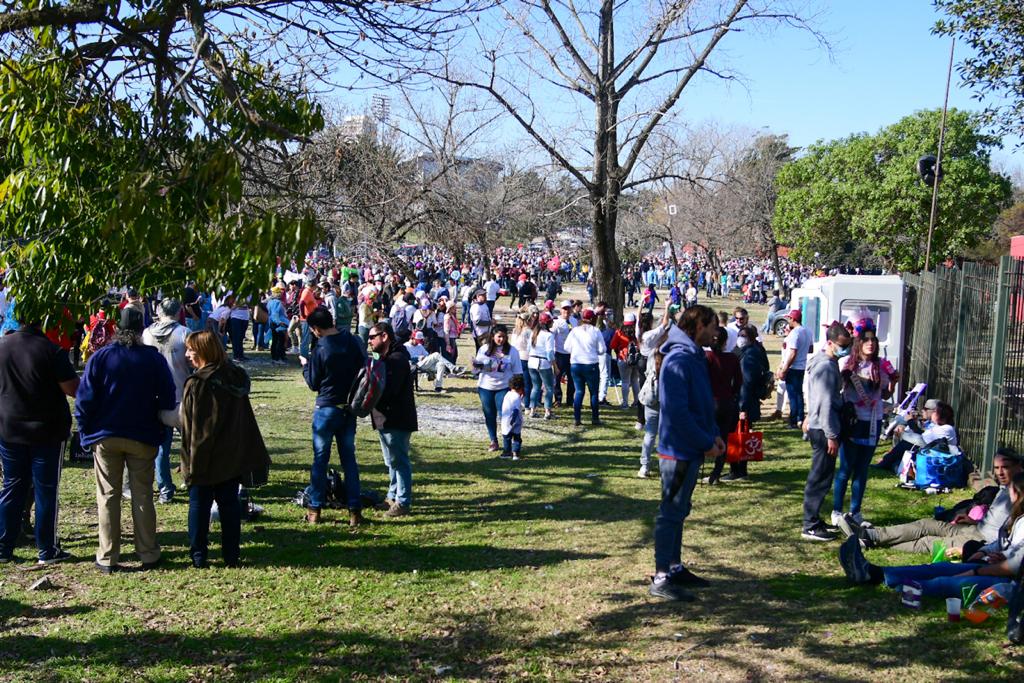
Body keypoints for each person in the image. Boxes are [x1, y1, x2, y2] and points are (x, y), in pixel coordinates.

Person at [75, 307, 177, 573]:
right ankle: (148, 553)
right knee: (142, 495)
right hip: (142, 436)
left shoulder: (101, 357)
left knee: (108, 496)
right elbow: (168, 398)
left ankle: (108, 556)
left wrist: (85, 432)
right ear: (141, 329)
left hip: (106, 435)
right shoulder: (153, 359)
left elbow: (84, 399)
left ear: (117, 329)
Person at [839, 472, 1024, 599]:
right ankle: (874, 572)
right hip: (994, 563)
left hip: (1009, 583)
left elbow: (1014, 566)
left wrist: (977, 570)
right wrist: (984, 551)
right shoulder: (1017, 519)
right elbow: (1006, 545)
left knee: (947, 582)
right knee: (939, 568)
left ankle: (904, 590)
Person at [649, 305, 724, 601]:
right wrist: (704, 441)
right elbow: (678, 412)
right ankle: (661, 577)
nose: (716, 332)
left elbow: (701, 403)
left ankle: (674, 567)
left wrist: (713, 434)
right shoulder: (678, 360)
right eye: (713, 326)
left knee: (680, 510)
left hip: (691, 447)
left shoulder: (694, 357)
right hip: (678, 451)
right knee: (670, 512)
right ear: (699, 326)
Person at [179, 331, 270, 567]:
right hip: (232, 455)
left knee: (200, 505)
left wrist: (192, 464)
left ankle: (199, 556)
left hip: (205, 455)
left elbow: (198, 430)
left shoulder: (199, 383)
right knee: (229, 505)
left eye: (191, 350)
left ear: (203, 352)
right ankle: (231, 555)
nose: (187, 354)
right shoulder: (234, 376)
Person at [0, 321, 80, 565]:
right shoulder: (51, 350)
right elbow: (73, 389)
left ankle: (3, 547)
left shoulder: (2, 346)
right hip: (47, 431)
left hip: (10, 428)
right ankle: (47, 548)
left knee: (12, 486)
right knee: (46, 490)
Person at [844, 448, 1023, 553]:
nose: (1000, 472)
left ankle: (871, 542)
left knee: (927, 542)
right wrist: (973, 520)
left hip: (984, 542)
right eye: (996, 468)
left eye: (1005, 467)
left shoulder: (1020, 491)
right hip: (975, 528)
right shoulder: (1004, 487)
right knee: (926, 524)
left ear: (1019, 467)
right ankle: (871, 535)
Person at [299, 308, 366, 526]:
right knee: (349, 460)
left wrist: (305, 366)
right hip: (348, 408)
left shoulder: (321, 348)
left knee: (320, 460)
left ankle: (314, 509)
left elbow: (313, 383)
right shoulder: (353, 341)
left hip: (326, 408)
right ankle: (354, 510)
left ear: (316, 329)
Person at [832, 318, 898, 532]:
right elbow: (837, 389)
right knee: (845, 469)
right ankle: (836, 512)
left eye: (873, 341)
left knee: (862, 470)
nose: (870, 344)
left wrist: (893, 382)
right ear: (858, 343)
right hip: (852, 422)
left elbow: (885, 394)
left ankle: (856, 512)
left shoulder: (881, 366)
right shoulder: (847, 363)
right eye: (866, 340)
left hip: (873, 422)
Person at [800, 322, 853, 542]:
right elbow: (825, 404)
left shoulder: (824, 362)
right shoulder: (826, 367)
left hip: (820, 425)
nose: (846, 349)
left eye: (848, 345)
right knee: (819, 477)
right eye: (842, 345)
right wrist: (831, 435)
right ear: (830, 343)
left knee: (823, 475)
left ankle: (815, 519)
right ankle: (810, 524)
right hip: (824, 430)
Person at [142, 299, 191, 504]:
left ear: (158, 311)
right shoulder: (185, 333)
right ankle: (192, 480)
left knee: (161, 448)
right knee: (191, 443)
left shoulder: (146, 333)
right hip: (182, 396)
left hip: (156, 398)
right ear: (178, 312)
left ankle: (165, 489)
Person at [368, 322, 418, 517]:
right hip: (385, 418)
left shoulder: (396, 360)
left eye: (372, 337)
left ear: (385, 336)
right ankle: (392, 496)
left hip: (396, 418)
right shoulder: (386, 357)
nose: (369, 341)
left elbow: (388, 390)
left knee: (399, 461)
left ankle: (403, 502)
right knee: (391, 461)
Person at [702, 327, 742, 486]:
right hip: (726, 402)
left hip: (709, 402)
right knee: (723, 437)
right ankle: (716, 474)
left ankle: (697, 467)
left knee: (703, 434)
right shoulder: (732, 358)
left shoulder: (707, 357)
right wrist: (731, 393)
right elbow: (738, 382)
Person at [732, 325, 770, 481]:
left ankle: (739, 470)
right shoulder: (753, 351)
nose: (740, 338)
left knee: (741, 436)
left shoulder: (750, 355)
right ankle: (738, 469)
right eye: (739, 335)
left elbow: (746, 382)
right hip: (747, 400)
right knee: (741, 435)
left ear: (751, 337)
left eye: (743, 335)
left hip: (745, 401)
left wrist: (742, 406)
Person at [474, 324, 521, 452]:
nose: (501, 339)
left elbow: (518, 371)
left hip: (504, 386)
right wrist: (477, 366)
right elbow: (476, 368)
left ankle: (508, 441)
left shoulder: (512, 351)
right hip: (485, 386)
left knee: (504, 414)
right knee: (489, 414)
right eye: (499, 336)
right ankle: (493, 440)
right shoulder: (484, 349)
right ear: (492, 336)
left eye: (504, 337)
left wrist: (518, 389)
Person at [565, 309, 606, 427]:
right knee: (593, 392)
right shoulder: (596, 331)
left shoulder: (574, 331)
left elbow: (566, 347)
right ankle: (595, 418)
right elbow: (602, 349)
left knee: (579, 391)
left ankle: (577, 418)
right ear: (592, 319)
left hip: (576, 364)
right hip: (590, 364)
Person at [777, 309, 812, 429]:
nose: (788, 321)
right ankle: (800, 418)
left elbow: (792, 353)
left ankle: (793, 420)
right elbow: (810, 348)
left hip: (793, 367)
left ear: (793, 319)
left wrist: (784, 369)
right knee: (799, 394)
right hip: (802, 366)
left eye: (789, 318)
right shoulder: (808, 331)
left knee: (792, 395)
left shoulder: (794, 333)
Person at [527, 312, 557, 420]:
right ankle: (547, 411)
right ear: (548, 323)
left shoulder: (533, 333)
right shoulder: (549, 335)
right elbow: (550, 353)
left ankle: (532, 410)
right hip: (543, 362)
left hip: (532, 361)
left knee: (535, 387)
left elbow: (528, 349)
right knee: (549, 388)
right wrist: (555, 366)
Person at [610, 313, 641, 409]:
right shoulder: (638, 332)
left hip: (623, 358)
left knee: (625, 382)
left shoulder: (619, 332)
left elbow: (612, 345)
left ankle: (625, 403)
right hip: (636, 359)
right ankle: (637, 402)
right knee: (635, 381)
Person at [551, 300, 576, 406]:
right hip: (560, 353)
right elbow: (552, 337)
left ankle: (570, 399)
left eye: (568, 308)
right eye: (564, 309)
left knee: (572, 378)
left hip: (572, 354)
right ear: (561, 310)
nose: (566, 311)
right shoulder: (556, 322)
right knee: (557, 378)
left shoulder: (574, 321)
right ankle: (558, 399)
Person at [500, 375, 526, 460]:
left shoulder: (507, 394)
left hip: (506, 419)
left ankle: (507, 452)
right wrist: (513, 420)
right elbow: (516, 410)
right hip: (515, 419)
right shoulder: (516, 397)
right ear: (521, 387)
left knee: (507, 437)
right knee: (516, 437)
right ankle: (516, 454)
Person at [266, 286, 290, 364]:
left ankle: (275, 357)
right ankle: (278, 358)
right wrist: (279, 322)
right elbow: (275, 314)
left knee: (275, 340)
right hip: (278, 324)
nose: (280, 294)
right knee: (279, 341)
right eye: (278, 292)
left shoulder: (270, 302)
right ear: (274, 293)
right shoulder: (277, 302)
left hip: (272, 323)